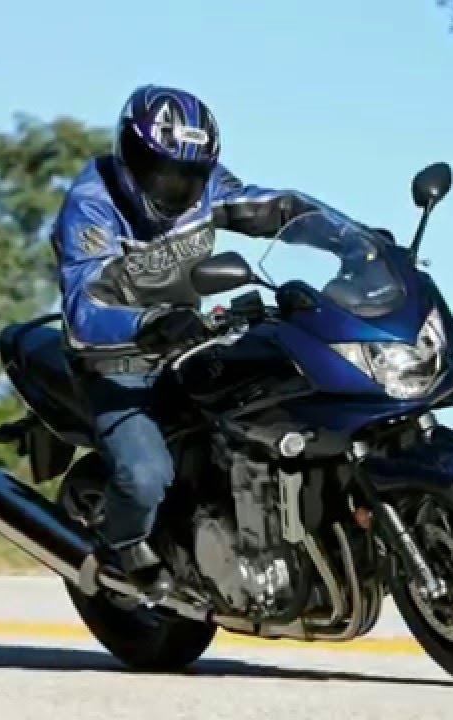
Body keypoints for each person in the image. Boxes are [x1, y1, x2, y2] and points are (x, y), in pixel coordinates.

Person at [50, 85, 353, 597]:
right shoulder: (91, 207)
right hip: (118, 359)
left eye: (190, 175)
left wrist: (351, 237)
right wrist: (147, 323)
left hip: (188, 339)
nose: (176, 187)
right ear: (130, 157)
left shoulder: (209, 186)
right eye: (162, 172)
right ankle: (126, 549)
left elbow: (273, 207)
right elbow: (85, 310)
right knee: (146, 474)